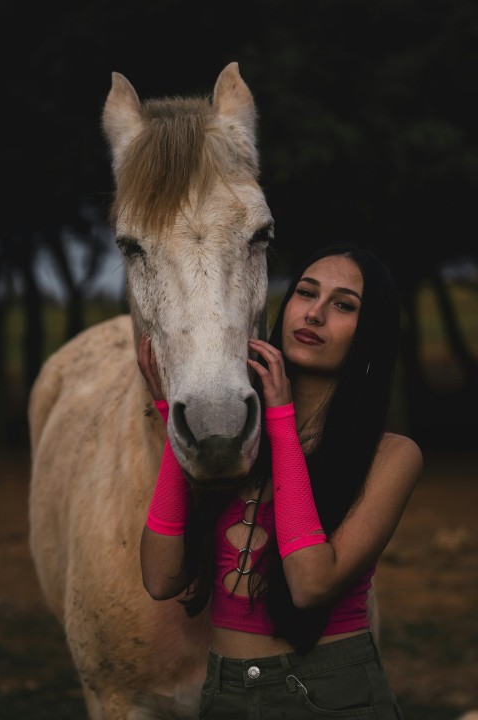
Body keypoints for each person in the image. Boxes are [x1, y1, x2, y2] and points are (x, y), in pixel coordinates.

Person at [138, 241, 423, 719]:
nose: (314, 314)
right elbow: (160, 578)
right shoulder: (239, 441)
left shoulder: (392, 455)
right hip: (223, 695)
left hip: (333, 696)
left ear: (369, 333)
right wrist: (176, 420)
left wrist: (282, 420)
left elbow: (312, 583)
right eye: (306, 293)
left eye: (343, 305)